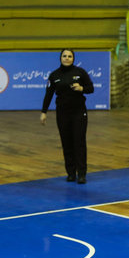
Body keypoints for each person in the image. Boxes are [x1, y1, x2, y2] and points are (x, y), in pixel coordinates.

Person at [40, 49, 94, 184]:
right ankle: (71, 173)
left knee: (79, 141)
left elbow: (91, 88)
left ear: (73, 58)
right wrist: (44, 112)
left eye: (70, 56)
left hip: (79, 112)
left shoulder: (80, 72)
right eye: (64, 56)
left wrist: (81, 88)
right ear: (60, 58)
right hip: (63, 113)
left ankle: (81, 174)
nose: (67, 58)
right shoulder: (54, 75)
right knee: (66, 142)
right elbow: (49, 94)